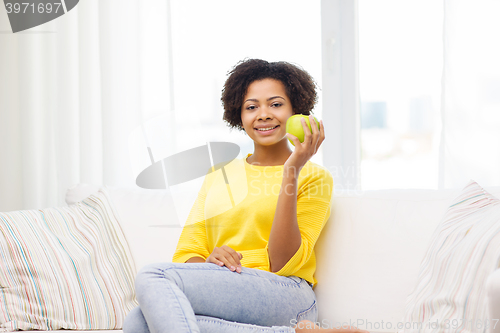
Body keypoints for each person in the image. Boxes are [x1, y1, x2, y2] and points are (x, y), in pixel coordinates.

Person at [123, 59, 368, 333]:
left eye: (275, 104)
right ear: (238, 115)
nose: (263, 114)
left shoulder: (313, 177)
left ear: (296, 111)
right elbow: (187, 254)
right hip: (226, 288)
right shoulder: (219, 174)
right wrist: (208, 262)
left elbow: (282, 262)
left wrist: (291, 171)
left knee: (152, 276)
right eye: (251, 107)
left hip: (286, 294)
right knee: (137, 323)